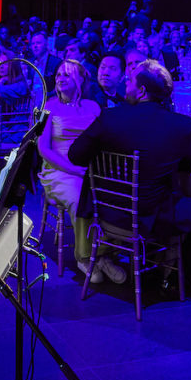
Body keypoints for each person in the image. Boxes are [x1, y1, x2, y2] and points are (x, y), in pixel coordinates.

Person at [68, 59, 191, 297]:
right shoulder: (183, 125)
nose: (126, 86)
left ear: (141, 91)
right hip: (151, 217)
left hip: (106, 212)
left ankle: (166, 266)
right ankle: (185, 277)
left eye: (129, 81)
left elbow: (75, 154)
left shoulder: (110, 118)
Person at [36, 61, 121, 283]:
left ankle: (104, 255)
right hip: (58, 170)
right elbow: (43, 148)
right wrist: (73, 169)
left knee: (115, 195)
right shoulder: (49, 106)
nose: (60, 78)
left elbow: (105, 139)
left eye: (67, 74)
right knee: (79, 197)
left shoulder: (93, 107)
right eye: (58, 74)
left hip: (90, 169)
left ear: (81, 79)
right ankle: (85, 257)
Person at [28, 30, 61, 95]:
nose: (35, 46)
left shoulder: (56, 63)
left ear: (46, 44)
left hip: (49, 100)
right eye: (33, 43)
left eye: (38, 43)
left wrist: (44, 97)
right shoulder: (30, 63)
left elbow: (60, 87)